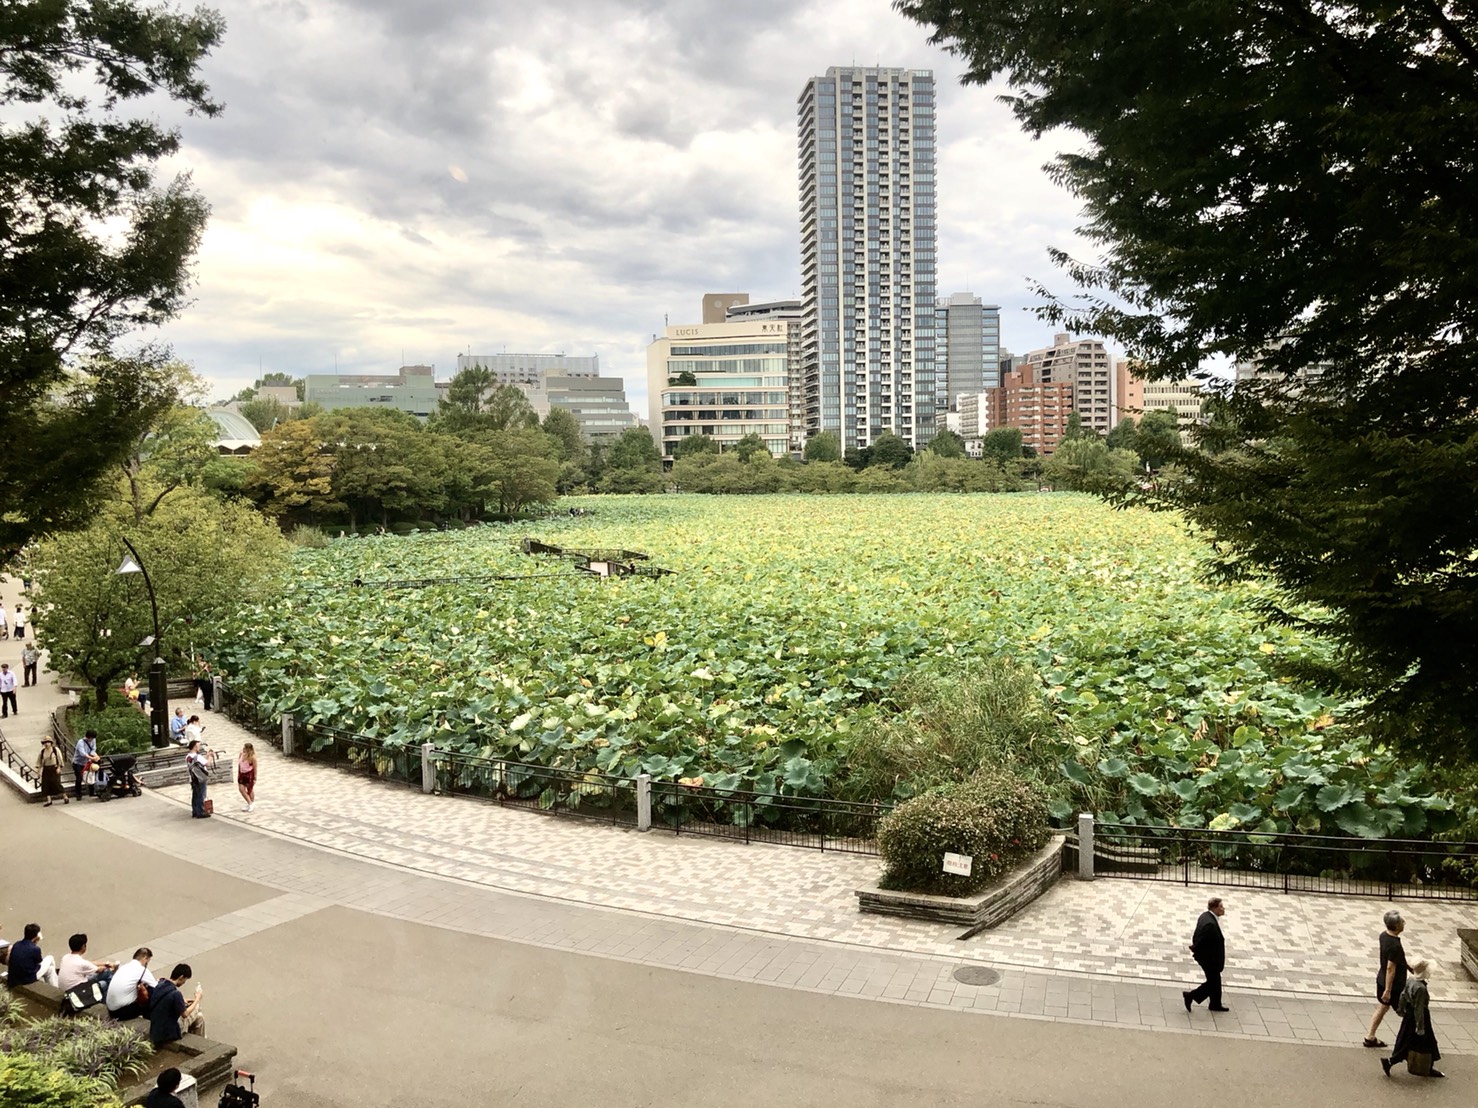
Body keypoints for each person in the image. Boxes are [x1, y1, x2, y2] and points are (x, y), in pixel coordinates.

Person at [1383, 958, 1444, 1078]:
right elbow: (1419, 1009)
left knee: (1405, 1040)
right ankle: (1428, 1068)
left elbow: (1403, 995)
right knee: (1428, 1042)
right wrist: (1420, 1027)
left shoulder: (1410, 980)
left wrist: (1401, 1009)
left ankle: (1391, 1061)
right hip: (1419, 1017)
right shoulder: (1420, 988)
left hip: (1409, 1015)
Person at [1366, 909, 1407, 1048]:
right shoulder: (1395, 945)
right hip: (1393, 987)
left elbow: (1395, 959)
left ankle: (1370, 1036)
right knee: (1408, 1014)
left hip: (1381, 980)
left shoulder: (1384, 936)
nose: (1404, 923)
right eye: (1402, 921)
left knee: (1382, 1007)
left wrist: (1408, 966)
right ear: (1396, 926)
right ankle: (1409, 1043)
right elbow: (1391, 968)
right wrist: (1388, 991)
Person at [1183, 896, 1229, 1013]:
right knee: (1213, 982)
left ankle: (1215, 1004)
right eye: (1221, 907)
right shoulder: (1210, 924)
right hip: (1209, 959)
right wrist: (1195, 947)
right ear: (1214, 908)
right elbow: (1202, 939)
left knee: (1215, 981)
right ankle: (1190, 996)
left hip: (1207, 957)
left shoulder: (1205, 916)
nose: (1223, 909)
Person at [147, 963, 205, 1045]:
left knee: (199, 1018)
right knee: (198, 1011)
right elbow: (185, 1014)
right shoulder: (176, 994)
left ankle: (199, 1039)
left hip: (156, 1027)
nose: (184, 983)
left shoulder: (160, 985)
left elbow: (167, 1000)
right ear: (181, 977)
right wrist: (197, 999)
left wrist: (183, 1000)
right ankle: (200, 1042)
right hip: (169, 1032)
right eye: (185, 980)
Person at [105, 947, 157, 1020]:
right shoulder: (142, 970)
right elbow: (156, 987)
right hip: (120, 1012)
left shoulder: (124, 967)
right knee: (151, 992)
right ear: (145, 958)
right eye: (147, 961)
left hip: (111, 1010)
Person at [6, 923, 60, 988]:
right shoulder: (35, 949)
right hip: (27, 978)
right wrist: (36, 942)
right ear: (36, 936)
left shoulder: (16, 944)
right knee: (50, 958)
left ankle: (55, 986)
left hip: (14, 977)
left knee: (50, 970)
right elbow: (39, 961)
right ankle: (56, 986)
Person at [186, 738, 213, 818]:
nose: (199, 747)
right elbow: (207, 764)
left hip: (193, 778)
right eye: (198, 746)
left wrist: (206, 756)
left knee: (195, 795)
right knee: (201, 794)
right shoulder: (197, 756)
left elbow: (198, 763)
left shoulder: (188, 756)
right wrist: (210, 757)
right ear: (194, 746)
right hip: (200, 778)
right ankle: (200, 812)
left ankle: (195, 811)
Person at [36, 737, 67, 806]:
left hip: (54, 768)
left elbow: (60, 759)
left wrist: (59, 767)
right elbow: (39, 762)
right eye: (45, 743)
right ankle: (49, 800)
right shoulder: (42, 752)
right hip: (46, 769)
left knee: (57, 783)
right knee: (46, 785)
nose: (46, 744)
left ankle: (65, 796)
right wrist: (39, 771)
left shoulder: (55, 750)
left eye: (48, 742)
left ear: (51, 743)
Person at [72, 728, 99, 801]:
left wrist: (95, 756)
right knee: (79, 778)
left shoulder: (93, 740)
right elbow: (82, 753)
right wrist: (91, 757)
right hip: (78, 763)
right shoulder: (80, 742)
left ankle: (92, 792)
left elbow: (93, 749)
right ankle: (78, 794)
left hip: (87, 762)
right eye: (91, 738)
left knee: (91, 776)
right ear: (88, 737)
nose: (92, 740)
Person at [237, 742, 257, 812]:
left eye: (246, 748)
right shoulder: (241, 754)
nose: (244, 749)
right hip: (242, 774)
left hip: (249, 774)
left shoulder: (252, 758)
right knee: (241, 789)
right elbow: (239, 764)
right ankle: (249, 802)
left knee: (250, 789)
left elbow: (255, 768)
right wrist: (239, 773)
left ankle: (251, 803)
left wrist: (255, 777)